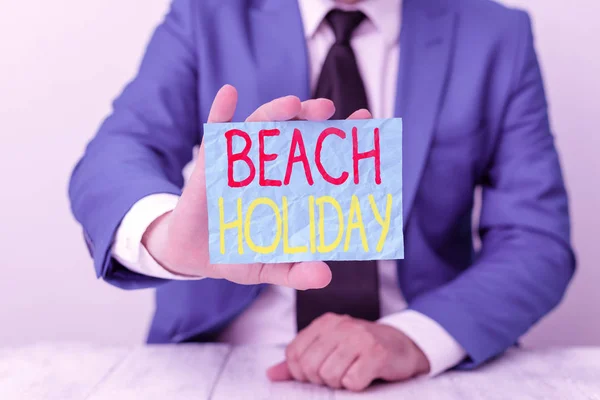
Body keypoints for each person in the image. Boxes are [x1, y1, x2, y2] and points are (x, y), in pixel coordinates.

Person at [69, 0, 575, 392]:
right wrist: (167, 236)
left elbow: (536, 239)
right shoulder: (208, 14)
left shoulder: (494, 36)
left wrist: (416, 337)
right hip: (219, 361)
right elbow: (118, 150)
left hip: (419, 365)